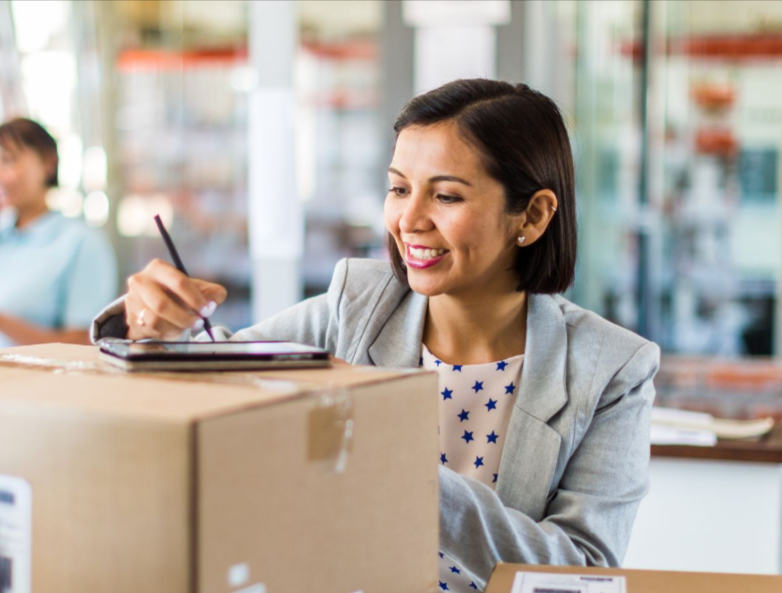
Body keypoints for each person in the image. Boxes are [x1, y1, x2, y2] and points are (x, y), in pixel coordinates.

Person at [92, 79, 659, 592]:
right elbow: (207, 377)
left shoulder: (613, 368)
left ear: (532, 216)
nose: (408, 220)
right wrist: (149, 326)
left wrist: (397, 467)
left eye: (446, 196)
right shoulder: (356, 305)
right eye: (398, 189)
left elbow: (584, 572)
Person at [0, 117, 117, 348]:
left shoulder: (82, 242)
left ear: (48, 164)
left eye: (8, 160)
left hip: (38, 382)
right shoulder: (4, 235)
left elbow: (85, 343)